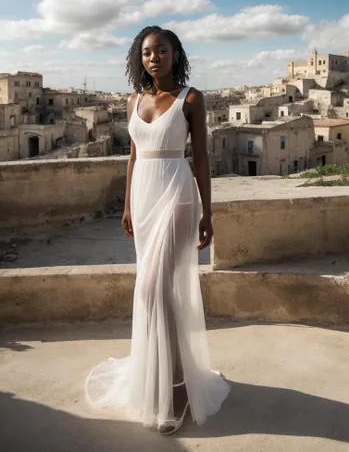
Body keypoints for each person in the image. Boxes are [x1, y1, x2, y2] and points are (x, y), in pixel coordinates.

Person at [85, 25, 230, 435]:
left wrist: (208, 211)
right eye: (147, 53)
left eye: (161, 51)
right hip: (145, 199)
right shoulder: (132, 100)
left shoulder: (191, 98)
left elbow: (200, 158)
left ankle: (179, 385)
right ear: (140, 59)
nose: (154, 58)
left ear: (174, 53)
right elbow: (133, 158)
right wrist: (128, 204)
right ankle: (164, 371)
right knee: (158, 292)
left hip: (178, 196)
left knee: (152, 288)